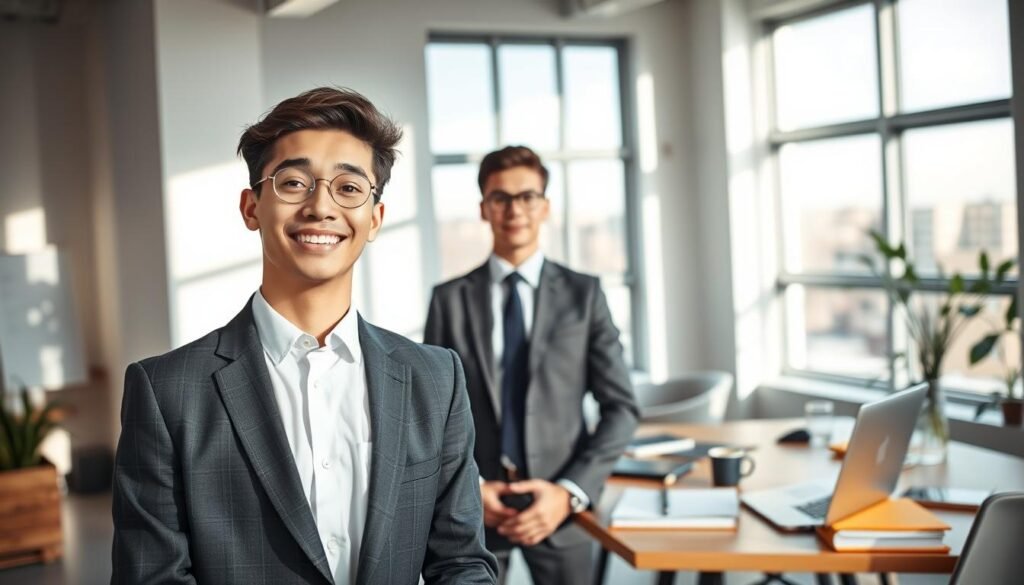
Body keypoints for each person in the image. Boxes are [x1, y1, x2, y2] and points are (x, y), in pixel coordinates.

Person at [112, 87, 497, 585]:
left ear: (374, 218)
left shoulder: (434, 378)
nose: (322, 206)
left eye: (350, 188)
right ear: (252, 208)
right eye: (294, 183)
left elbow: (461, 562)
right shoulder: (166, 392)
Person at [423, 145, 638, 584]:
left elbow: (621, 408)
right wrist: (473, 488)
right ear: (484, 208)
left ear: (545, 207)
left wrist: (569, 493)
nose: (514, 209)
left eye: (527, 197)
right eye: (500, 198)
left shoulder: (585, 295)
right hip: (474, 513)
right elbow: (430, 414)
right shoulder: (449, 301)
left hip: (560, 511)